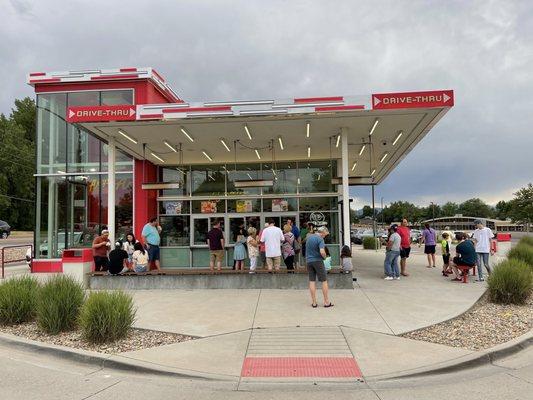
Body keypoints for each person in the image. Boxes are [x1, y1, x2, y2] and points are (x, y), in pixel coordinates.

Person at [305, 226, 333, 308]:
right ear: (322, 233)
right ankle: (326, 302)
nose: (325, 236)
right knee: (324, 281)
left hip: (309, 261)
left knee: (312, 281)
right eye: (325, 234)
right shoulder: (320, 239)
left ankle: (314, 303)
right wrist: (324, 257)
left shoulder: (309, 238)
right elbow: (322, 251)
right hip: (318, 261)